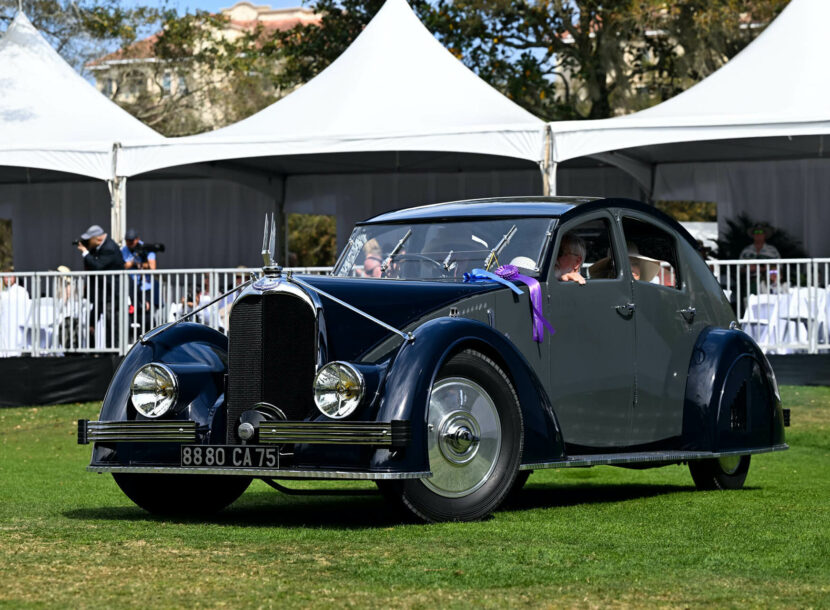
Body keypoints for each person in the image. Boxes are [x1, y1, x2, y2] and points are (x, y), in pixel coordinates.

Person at [77, 225, 124, 348]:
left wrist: (85, 252)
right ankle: (106, 349)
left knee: (112, 324)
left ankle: (114, 351)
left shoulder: (109, 248)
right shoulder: (101, 247)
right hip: (103, 293)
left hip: (113, 293)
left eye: (89, 239)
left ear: (97, 239)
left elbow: (97, 266)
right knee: (98, 322)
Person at [121, 228, 158, 340]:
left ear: (137, 239)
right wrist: (133, 262)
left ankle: (152, 338)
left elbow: (152, 267)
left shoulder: (146, 248)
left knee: (146, 315)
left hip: (145, 287)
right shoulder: (124, 249)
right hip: (130, 288)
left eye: (131, 241)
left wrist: (139, 264)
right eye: (127, 240)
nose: (129, 243)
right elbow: (123, 265)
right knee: (130, 315)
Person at [0, 270, 31, 357]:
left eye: (10, 276)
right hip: (5, 326)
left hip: (18, 326)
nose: (8, 279)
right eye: (6, 277)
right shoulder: (3, 292)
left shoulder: (21, 291)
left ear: (15, 277)